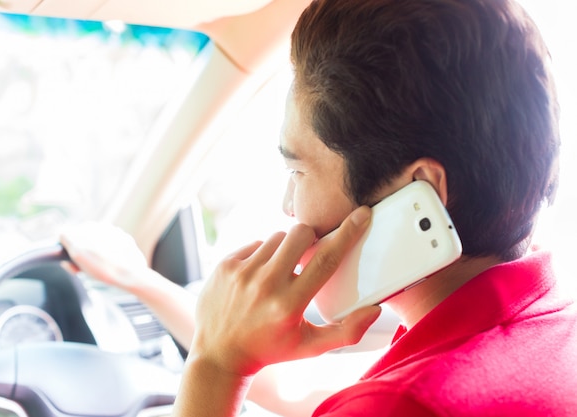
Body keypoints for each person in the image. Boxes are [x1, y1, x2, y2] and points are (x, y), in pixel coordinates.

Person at [62, 0, 577, 415]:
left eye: (298, 172)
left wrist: (213, 370)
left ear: (420, 189)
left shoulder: (400, 404)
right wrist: (144, 283)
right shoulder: (541, 322)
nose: (289, 207)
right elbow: (301, 398)